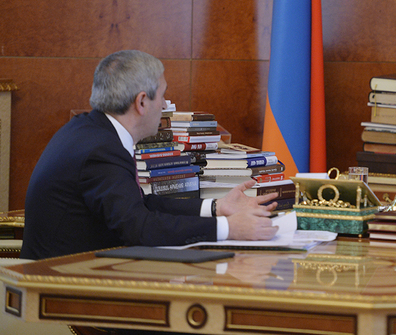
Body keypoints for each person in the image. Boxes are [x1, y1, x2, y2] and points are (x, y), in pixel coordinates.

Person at [21, 50, 280, 260]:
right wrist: (229, 228)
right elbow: (139, 228)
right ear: (142, 102)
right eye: (163, 95)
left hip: (78, 273)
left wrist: (216, 207)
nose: (165, 105)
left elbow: (138, 204)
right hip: (60, 288)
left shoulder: (89, 130)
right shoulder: (100, 150)